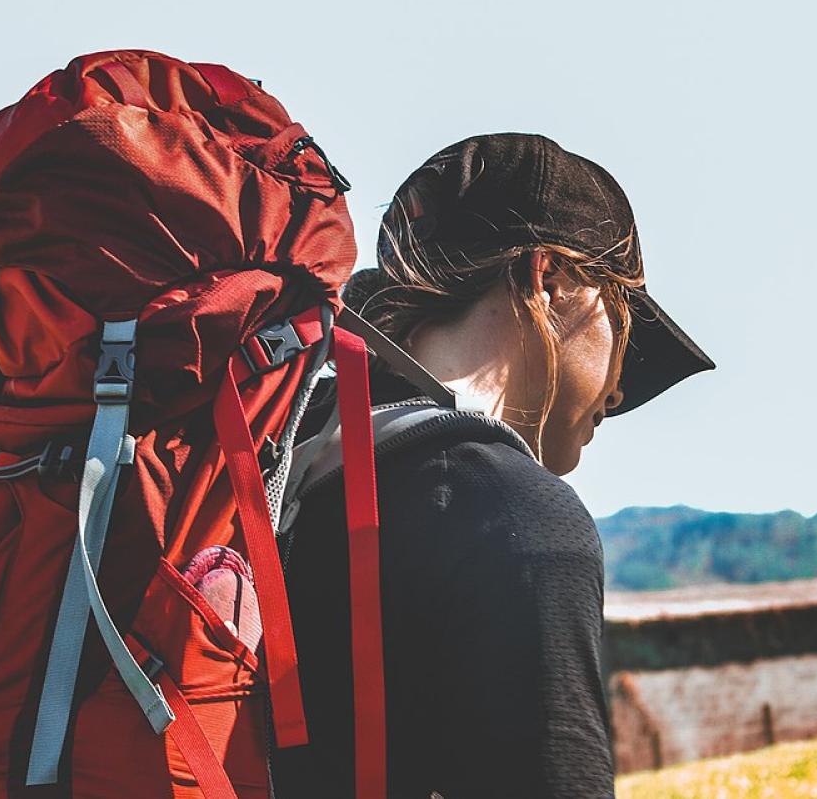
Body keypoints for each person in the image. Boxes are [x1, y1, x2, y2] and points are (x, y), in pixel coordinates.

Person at [271, 133, 714, 798]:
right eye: (619, 317)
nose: (618, 390)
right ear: (549, 279)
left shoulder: (281, 459)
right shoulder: (517, 518)